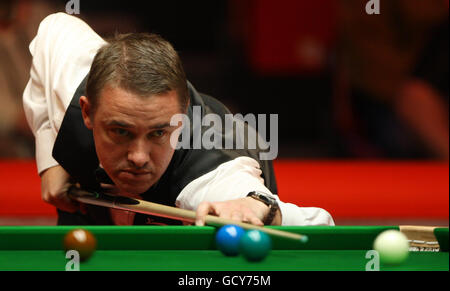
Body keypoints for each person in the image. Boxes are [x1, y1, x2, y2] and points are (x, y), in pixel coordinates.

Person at [23, 12, 334, 226]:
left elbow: (319, 224)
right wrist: (50, 159)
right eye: (120, 131)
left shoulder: (210, 176)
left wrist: (256, 206)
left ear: (181, 121)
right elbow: (55, 28)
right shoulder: (76, 79)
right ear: (88, 112)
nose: (138, 158)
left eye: (159, 133)